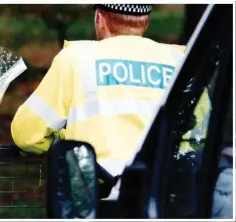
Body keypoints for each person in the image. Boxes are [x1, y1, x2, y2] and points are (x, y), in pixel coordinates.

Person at [11, 4, 189, 180]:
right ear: (146, 21)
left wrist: (67, 142)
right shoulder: (179, 61)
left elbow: (26, 134)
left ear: (100, 19)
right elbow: (198, 134)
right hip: (164, 196)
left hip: (96, 195)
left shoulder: (76, 58)